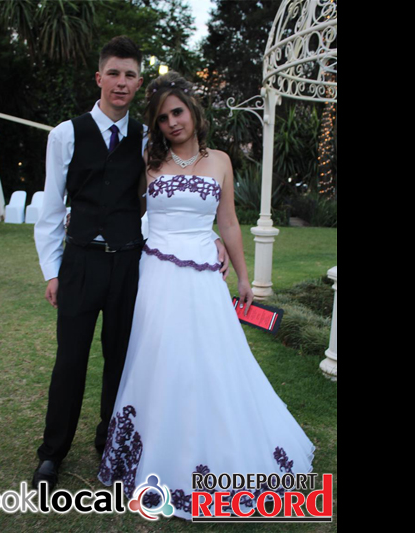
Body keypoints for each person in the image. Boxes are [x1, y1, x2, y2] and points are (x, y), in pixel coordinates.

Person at [97, 72, 315, 520]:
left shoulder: (220, 161)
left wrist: (243, 276)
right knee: (159, 361)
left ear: (193, 111)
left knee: (212, 361)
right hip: (156, 277)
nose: (172, 123)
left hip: (203, 280)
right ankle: (156, 456)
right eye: (162, 119)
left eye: (177, 112)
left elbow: (228, 221)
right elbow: (131, 213)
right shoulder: (148, 161)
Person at [33, 38, 228, 491]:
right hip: (80, 263)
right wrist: (52, 271)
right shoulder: (65, 135)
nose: (121, 83)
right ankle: (52, 454)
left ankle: (111, 439)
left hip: (129, 265)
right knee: (70, 361)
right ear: (99, 78)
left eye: (130, 75)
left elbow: (173, 195)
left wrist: (211, 236)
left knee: (121, 358)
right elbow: (50, 210)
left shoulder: (147, 139)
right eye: (114, 74)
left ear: (139, 83)